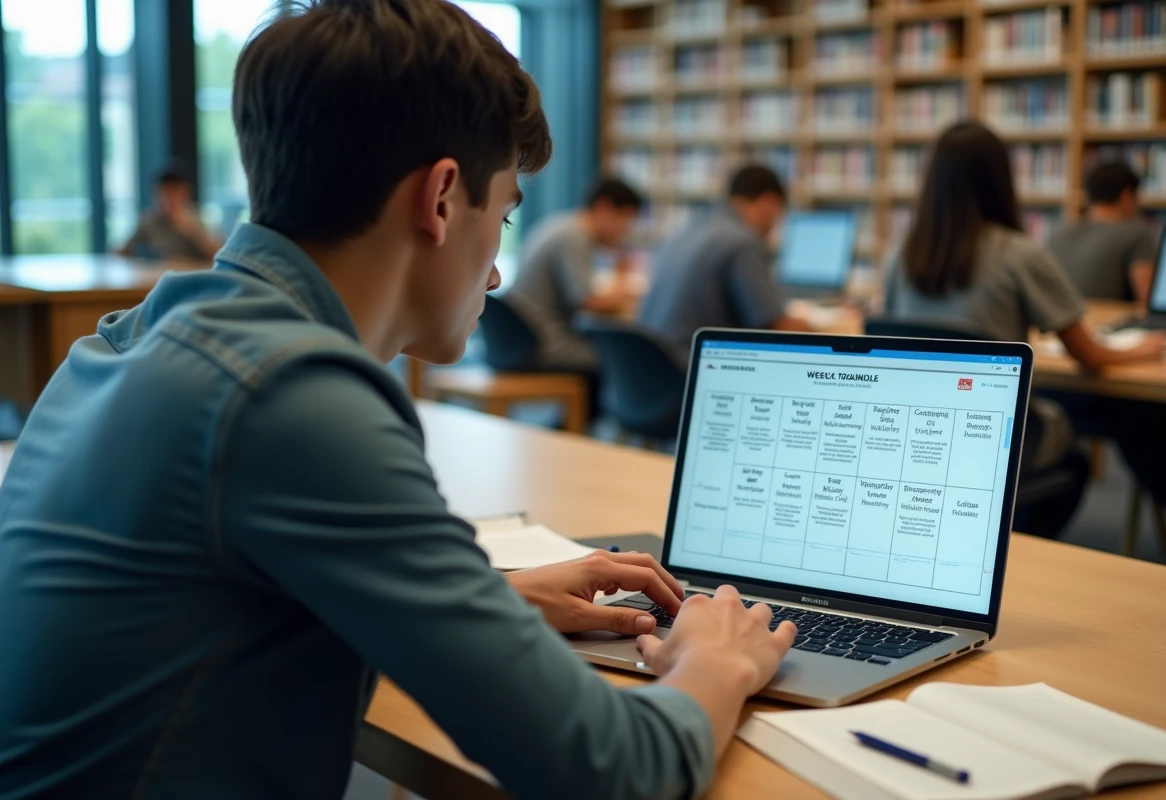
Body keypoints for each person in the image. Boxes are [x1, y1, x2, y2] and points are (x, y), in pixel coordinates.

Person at [0, 2, 796, 799]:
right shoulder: (295, 397)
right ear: (442, 197)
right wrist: (716, 662)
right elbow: (617, 773)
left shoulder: (132, 338)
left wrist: (488, 603)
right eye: (503, 214)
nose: (495, 273)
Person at [883, 121, 1166, 538]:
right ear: (999, 179)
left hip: (915, 432)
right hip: (989, 432)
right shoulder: (1019, 254)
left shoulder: (901, 255)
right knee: (1075, 456)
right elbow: (1088, 355)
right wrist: (1143, 348)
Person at [639, 164, 809, 364]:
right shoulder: (742, 242)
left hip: (649, 363)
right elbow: (777, 325)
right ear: (768, 203)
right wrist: (825, 331)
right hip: (690, 368)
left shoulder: (688, 229)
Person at [504, 177, 644, 372]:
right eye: (626, 219)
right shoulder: (574, 236)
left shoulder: (562, 225)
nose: (626, 230)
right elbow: (587, 302)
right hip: (542, 343)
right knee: (622, 358)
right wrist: (629, 290)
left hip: (519, 339)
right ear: (604, 207)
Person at [1047, 161, 1158, 304]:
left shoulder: (1059, 234)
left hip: (1065, 317)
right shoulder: (1137, 233)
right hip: (1112, 317)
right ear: (1126, 196)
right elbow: (1147, 297)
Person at [117, 163, 222, 261]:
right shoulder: (149, 221)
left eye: (175, 192)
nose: (169, 199)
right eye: (165, 192)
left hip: (194, 273)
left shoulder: (200, 217)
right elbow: (122, 251)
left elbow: (220, 254)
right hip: (159, 273)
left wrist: (192, 231)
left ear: (186, 192)